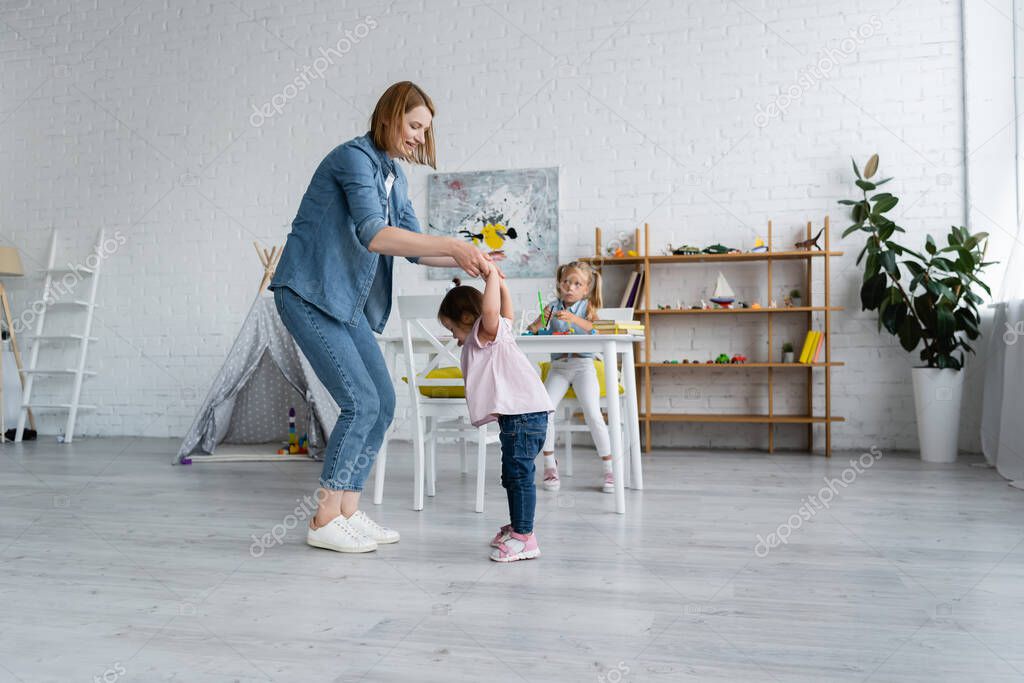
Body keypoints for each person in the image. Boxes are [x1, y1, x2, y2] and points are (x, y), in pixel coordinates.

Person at [270, 81, 499, 554]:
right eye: (414, 125)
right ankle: (323, 518)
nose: (418, 136)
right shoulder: (352, 158)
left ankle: (347, 513)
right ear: (390, 116)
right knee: (359, 402)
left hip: (344, 303)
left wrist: (467, 257)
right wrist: (452, 246)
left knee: (384, 403)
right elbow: (374, 234)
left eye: (424, 129)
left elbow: (414, 249)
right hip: (309, 292)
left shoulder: (393, 175)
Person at [438, 268, 554, 562]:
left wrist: (491, 276)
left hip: (523, 415)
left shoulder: (485, 333)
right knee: (513, 474)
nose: (455, 337)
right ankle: (518, 527)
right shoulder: (497, 332)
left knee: (519, 476)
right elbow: (507, 310)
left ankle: (525, 537)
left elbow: (491, 310)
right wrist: (502, 285)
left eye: (453, 330)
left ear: (466, 319)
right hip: (518, 416)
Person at [527, 260, 615, 493]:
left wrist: (574, 320)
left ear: (585, 289)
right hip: (559, 367)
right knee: (544, 411)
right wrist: (540, 320)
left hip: (583, 366)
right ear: (559, 284)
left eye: (577, 284)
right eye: (566, 282)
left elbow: (596, 330)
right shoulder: (552, 307)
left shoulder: (587, 308)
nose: (570, 287)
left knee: (593, 413)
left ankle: (609, 468)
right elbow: (531, 331)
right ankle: (549, 466)